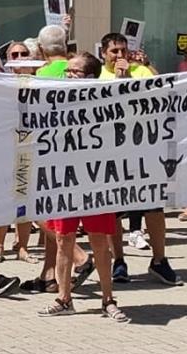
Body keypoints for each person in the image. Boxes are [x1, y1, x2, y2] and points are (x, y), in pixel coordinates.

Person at [42, 51, 126, 321]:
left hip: (95, 179)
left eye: (73, 71)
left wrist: (123, 81)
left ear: (89, 76)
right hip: (64, 179)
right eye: (66, 70)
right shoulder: (54, 99)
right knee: (63, 238)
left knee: (99, 241)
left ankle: (107, 298)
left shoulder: (104, 99)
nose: (67, 75)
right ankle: (64, 298)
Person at [100, 31, 178, 284]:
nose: (120, 56)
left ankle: (159, 260)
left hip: (143, 150)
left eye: (124, 51)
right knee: (112, 211)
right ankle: (119, 261)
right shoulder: (98, 77)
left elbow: (161, 94)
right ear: (104, 54)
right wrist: (117, 81)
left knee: (153, 207)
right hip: (111, 153)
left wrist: (134, 74)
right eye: (114, 52)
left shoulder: (141, 72)